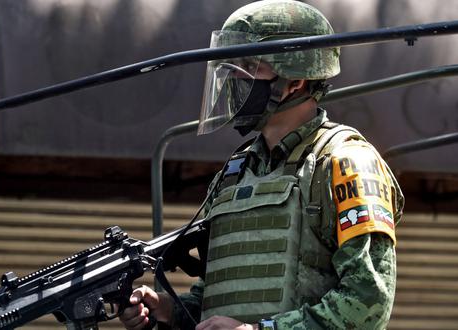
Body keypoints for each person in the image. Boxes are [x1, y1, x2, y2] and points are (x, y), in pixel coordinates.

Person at [120, 1, 404, 329]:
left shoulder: (344, 163)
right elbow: (220, 295)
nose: (233, 78)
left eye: (248, 65)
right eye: (230, 65)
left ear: (294, 81)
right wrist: (170, 310)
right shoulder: (235, 173)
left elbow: (368, 302)